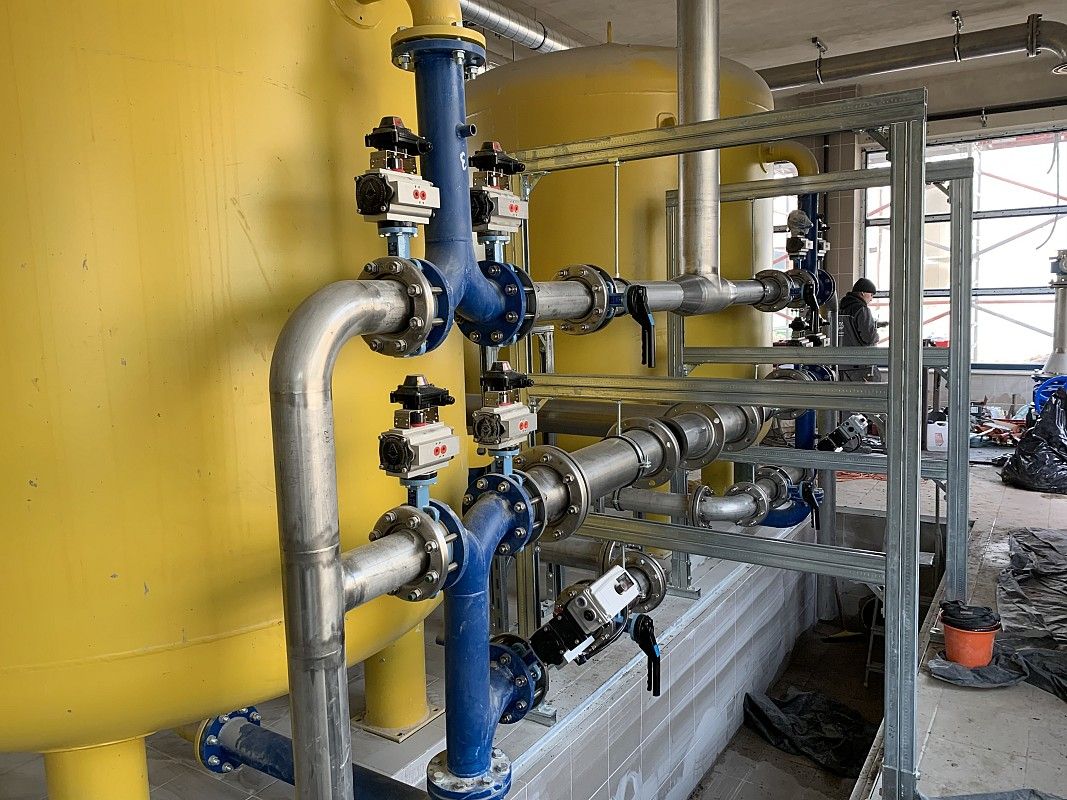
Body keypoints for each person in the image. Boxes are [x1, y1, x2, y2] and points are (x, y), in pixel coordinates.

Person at [839, 277, 882, 382]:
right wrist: (876, 335)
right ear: (862, 293)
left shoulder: (839, 308)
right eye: (871, 295)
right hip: (860, 364)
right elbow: (869, 337)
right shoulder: (862, 309)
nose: (871, 299)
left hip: (841, 364)